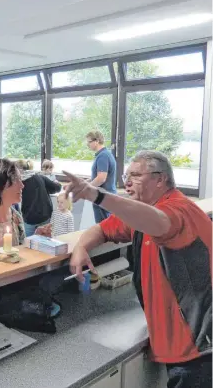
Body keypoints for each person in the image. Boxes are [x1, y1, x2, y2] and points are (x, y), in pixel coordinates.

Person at [66, 150, 212, 388]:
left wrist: (97, 195)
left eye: (136, 175)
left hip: (198, 346)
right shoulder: (140, 213)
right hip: (174, 339)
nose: (128, 181)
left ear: (160, 179)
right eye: (126, 175)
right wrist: (81, 246)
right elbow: (102, 229)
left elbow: (160, 222)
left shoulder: (179, 210)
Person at [17, 159, 62, 237]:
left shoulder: (18, 183)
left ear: (18, 170)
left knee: (28, 243)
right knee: (45, 242)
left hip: (29, 217)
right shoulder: (40, 177)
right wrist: (56, 182)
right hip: (44, 214)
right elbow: (57, 188)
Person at [86, 130, 117, 223]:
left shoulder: (103, 156)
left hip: (104, 198)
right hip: (104, 197)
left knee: (104, 229)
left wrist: (88, 187)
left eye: (89, 142)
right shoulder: (104, 154)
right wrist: (84, 183)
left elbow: (101, 178)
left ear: (97, 141)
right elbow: (97, 176)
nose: (88, 144)